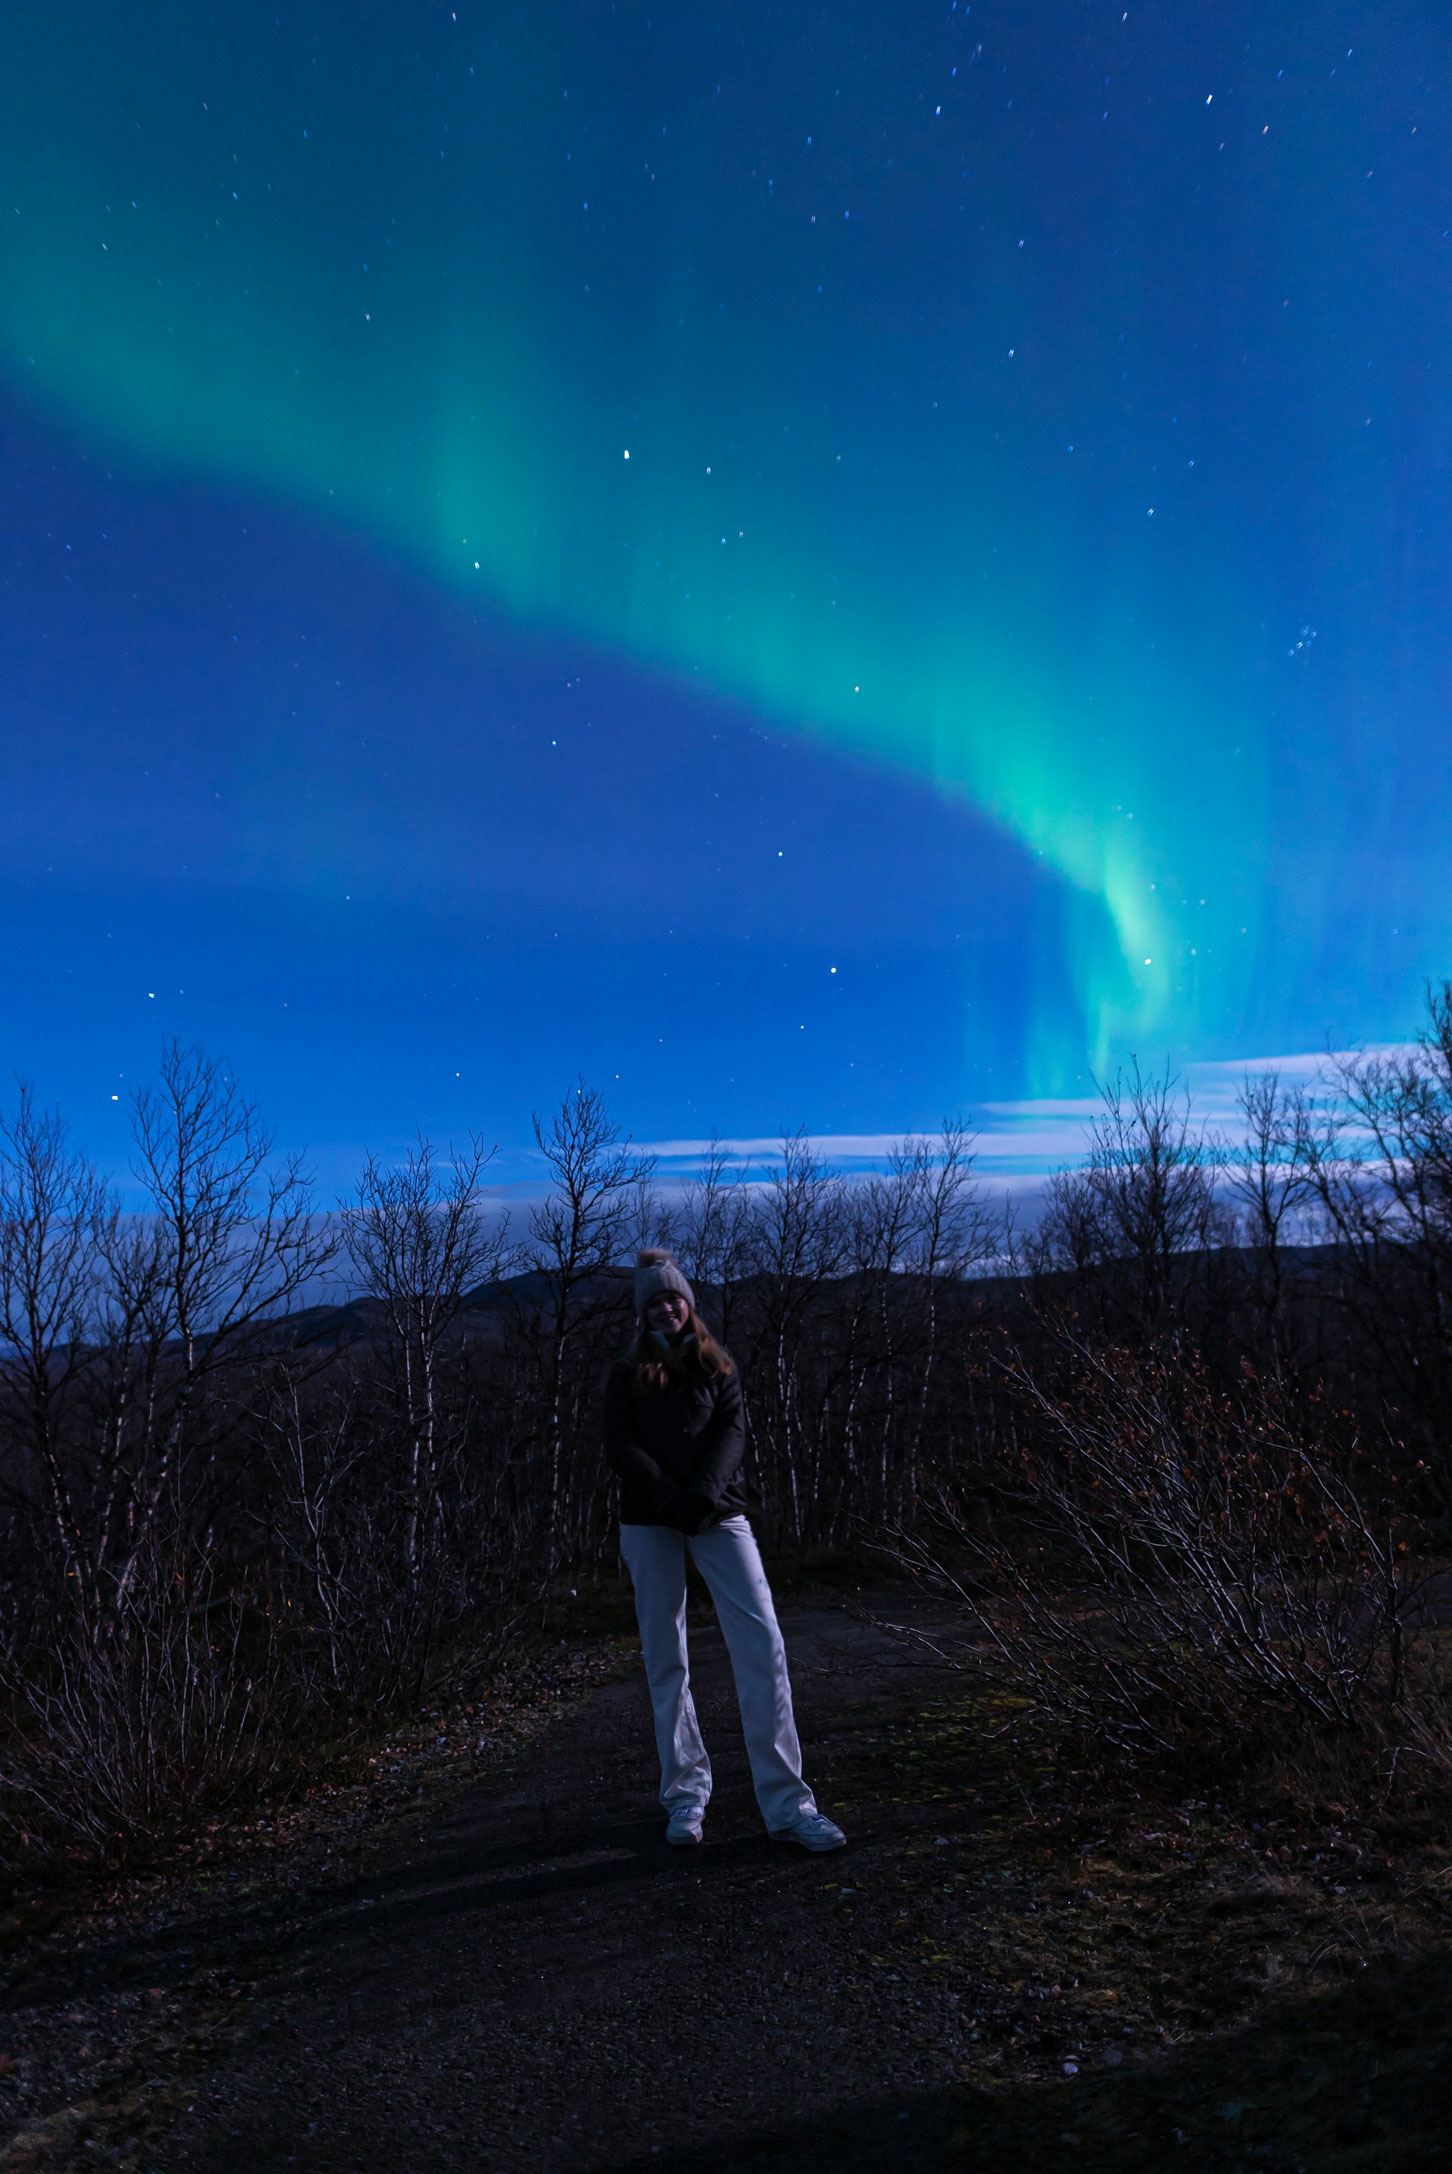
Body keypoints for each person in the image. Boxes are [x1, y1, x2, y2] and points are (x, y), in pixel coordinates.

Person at [603, 1247, 846, 1852]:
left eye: (673, 1297)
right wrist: (666, 1499)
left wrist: (702, 1496)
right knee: (666, 1657)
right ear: (643, 1311)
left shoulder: (719, 1365)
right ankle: (685, 1797)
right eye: (654, 1300)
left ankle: (789, 1807)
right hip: (649, 1518)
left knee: (763, 1645)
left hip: (717, 1512)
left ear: (688, 1301)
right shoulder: (625, 1372)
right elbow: (619, 1444)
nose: (665, 1307)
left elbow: (732, 1433)